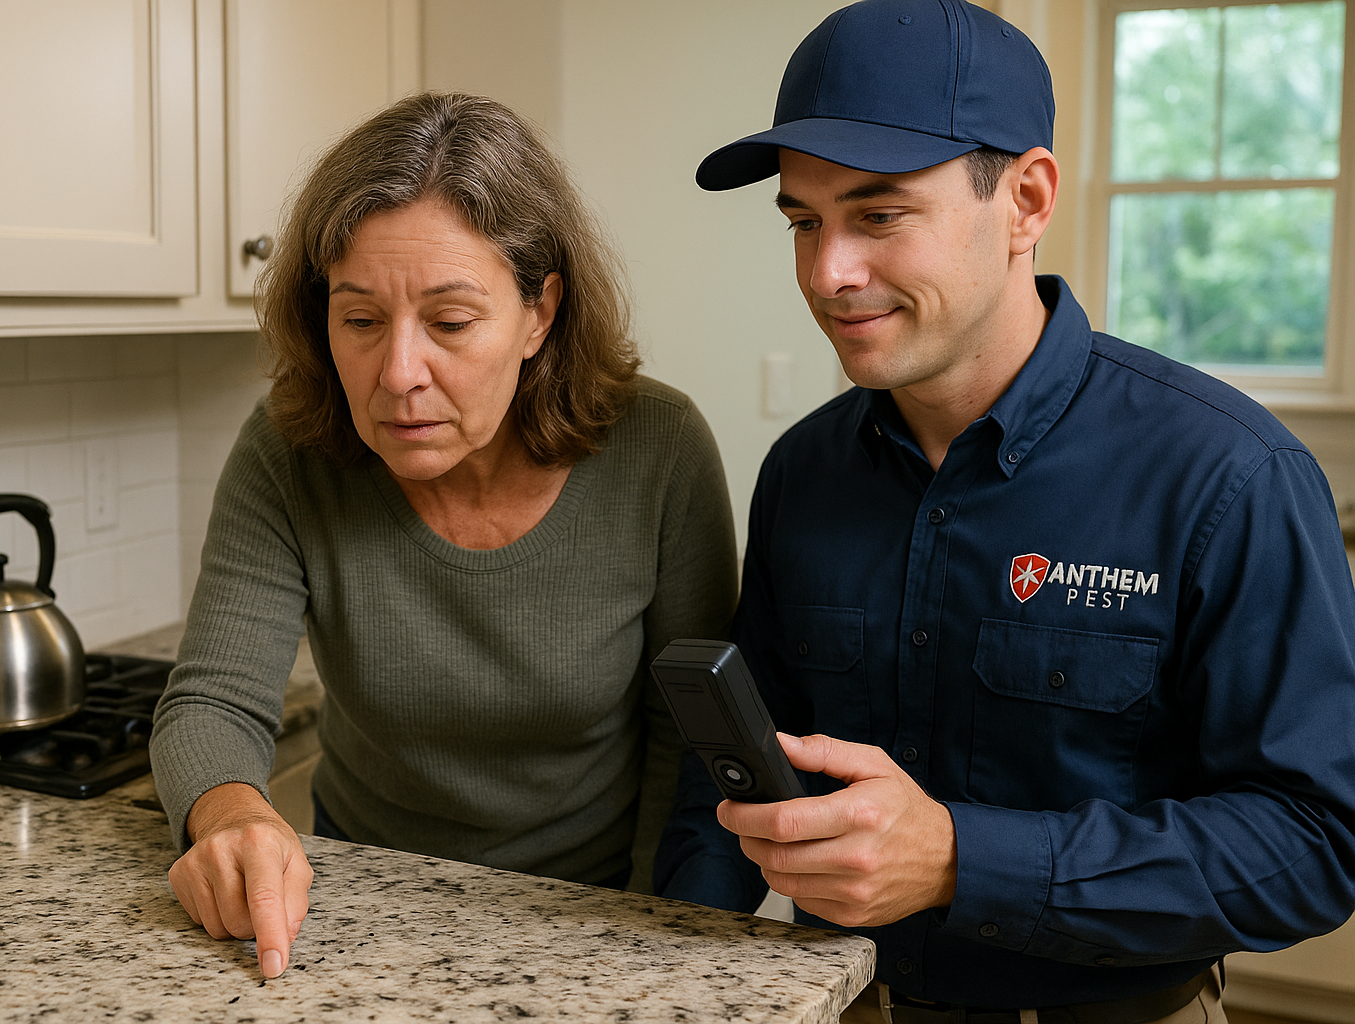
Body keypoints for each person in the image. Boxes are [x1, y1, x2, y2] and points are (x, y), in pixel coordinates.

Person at [654, 2, 1355, 1021]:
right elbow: (731, 768)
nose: (827, 273)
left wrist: (957, 859)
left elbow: (1314, 846)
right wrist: (689, 970)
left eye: (878, 214)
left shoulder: (1229, 477)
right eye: (804, 222)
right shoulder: (804, 471)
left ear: (1026, 200)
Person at [151, 91, 738, 980]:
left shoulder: (658, 449)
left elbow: (689, 738)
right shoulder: (288, 450)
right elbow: (213, 704)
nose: (398, 374)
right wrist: (234, 817)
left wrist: (656, 936)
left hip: (595, 918)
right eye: (359, 320)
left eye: (451, 323)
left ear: (540, 313)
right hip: (353, 911)